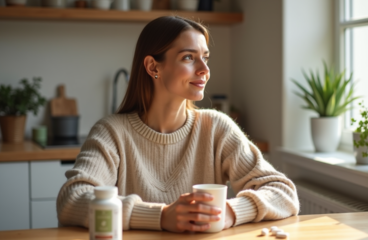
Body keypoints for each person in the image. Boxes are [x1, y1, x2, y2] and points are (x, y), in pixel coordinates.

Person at [56, 16, 299, 233]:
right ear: (153, 67)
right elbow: (71, 199)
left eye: (205, 58)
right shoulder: (112, 132)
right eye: (188, 58)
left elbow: (284, 193)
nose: (204, 70)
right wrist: (160, 216)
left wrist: (231, 211)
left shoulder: (217, 128)